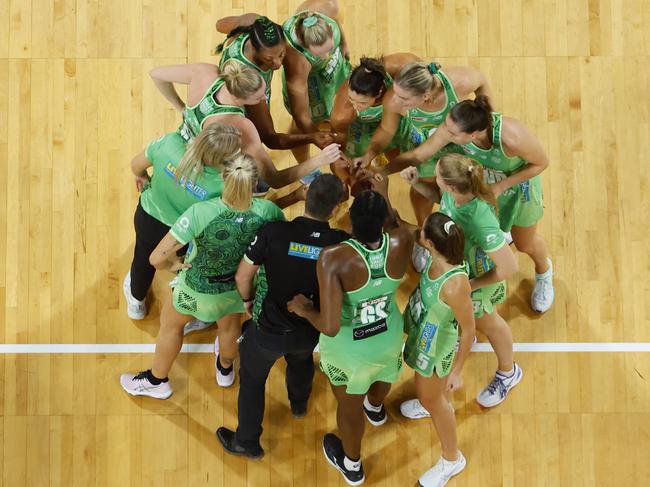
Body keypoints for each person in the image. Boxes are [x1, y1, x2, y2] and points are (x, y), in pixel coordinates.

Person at [119, 154, 285, 397]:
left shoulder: (200, 212)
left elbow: (155, 258)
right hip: (237, 290)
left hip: (195, 289)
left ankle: (157, 381)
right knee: (229, 329)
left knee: (171, 327)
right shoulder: (268, 211)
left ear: (223, 178)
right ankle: (225, 369)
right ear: (254, 183)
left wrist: (174, 265)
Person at [287, 178, 416, 485]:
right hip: (388, 336)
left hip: (350, 349)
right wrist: (382, 194)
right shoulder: (404, 238)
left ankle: (352, 466)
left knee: (348, 409)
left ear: (349, 220)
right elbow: (399, 224)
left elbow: (329, 327)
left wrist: (304, 309)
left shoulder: (334, 257)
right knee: (383, 375)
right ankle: (376, 408)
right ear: (384, 218)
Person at [215, 174, 348, 460]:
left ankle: (247, 442)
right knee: (301, 361)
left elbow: (242, 276)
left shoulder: (273, 232)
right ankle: (299, 403)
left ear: (306, 195)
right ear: (335, 209)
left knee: (252, 381)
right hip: (309, 329)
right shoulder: (341, 244)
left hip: (266, 332)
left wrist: (249, 300)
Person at [386, 96, 554, 312]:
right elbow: (423, 155)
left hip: (516, 188)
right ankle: (500, 235)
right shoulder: (457, 131)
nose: (446, 132)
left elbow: (542, 162)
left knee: (525, 244)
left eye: (452, 132)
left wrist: (502, 186)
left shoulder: (512, 137)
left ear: (473, 135)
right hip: (484, 186)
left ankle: (544, 273)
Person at [401, 153, 521, 410]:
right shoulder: (456, 193)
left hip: (476, 279)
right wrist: (417, 184)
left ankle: (509, 373)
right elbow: (442, 202)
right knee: (471, 322)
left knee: (489, 323)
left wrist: (472, 287)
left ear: (452, 185)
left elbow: (510, 266)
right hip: (461, 273)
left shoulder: (480, 218)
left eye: (437, 177)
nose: (433, 178)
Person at [150, 59, 343, 188]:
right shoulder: (240, 126)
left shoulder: (206, 73)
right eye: (260, 97)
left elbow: (156, 74)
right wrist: (319, 160)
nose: (263, 99)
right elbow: (275, 180)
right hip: (206, 172)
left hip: (182, 145)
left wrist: (181, 108)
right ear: (239, 98)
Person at [123, 124, 241, 320]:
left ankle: (136, 303)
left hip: (148, 219)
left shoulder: (170, 144)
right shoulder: (225, 184)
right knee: (185, 269)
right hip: (184, 237)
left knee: (143, 258)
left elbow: (136, 165)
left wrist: (142, 177)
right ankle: (188, 312)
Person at [358, 61, 492, 225]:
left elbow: (482, 81)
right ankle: (426, 226)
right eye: (396, 91)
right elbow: (388, 131)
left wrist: (488, 116)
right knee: (422, 188)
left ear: (426, 96)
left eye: (404, 98)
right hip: (423, 146)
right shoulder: (394, 100)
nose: (396, 100)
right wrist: (372, 159)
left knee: (462, 187)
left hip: (460, 146)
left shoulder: (459, 82)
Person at [399, 212, 475, 486]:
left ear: (430, 244)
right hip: (424, 332)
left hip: (436, 347)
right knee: (427, 392)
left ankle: (451, 459)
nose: (418, 234)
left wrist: (457, 370)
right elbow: (409, 229)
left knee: (435, 400)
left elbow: (469, 330)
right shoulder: (439, 255)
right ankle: (427, 401)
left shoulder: (454, 286)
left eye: (423, 235)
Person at [215, 15, 335, 151]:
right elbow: (270, 139)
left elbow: (219, 24)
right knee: (255, 142)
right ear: (255, 48)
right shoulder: (251, 82)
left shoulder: (255, 25)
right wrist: (311, 138)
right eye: (269, 58)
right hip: (239, 109)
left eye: (281, 54)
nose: (278, 64)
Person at [328, 54, 420, 181]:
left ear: (379, 92)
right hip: (361, 125)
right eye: (351, 98)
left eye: (362, 103)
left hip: (395, 117)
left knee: (407, 148)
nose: (356, 106)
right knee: (355, 164)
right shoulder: (342, 115)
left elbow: (425, 78)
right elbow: (337, 150)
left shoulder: (401, 67)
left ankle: (381, 160)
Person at [281, 0, 351, 166]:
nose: (328, 55)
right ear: (306, 48)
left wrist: (344, 44)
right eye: (320, 53)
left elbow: (337, 20)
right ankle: (305, 165)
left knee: (338, 109)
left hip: (334, 74)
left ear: (327, 28)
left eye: (330, 48)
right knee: (299, 129)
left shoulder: (326, 7)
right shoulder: (297, 63)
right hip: (311, 86)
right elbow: (301, 118)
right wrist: (320, 141)